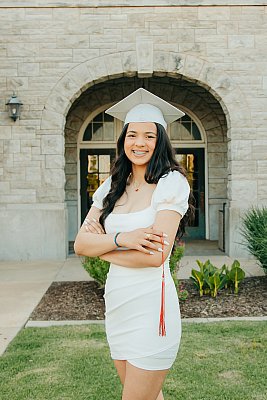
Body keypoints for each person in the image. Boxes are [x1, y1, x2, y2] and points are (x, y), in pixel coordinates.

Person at [74, 88, 195, 400]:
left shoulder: (171, 184)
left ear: (160, 142)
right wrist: (123, 239)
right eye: (133, 135)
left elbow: (156, 257)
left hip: (152, 309)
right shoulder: (111, 186)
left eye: (149, 136)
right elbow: (80, 245)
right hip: (117, 305)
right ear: (123, 140)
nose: (139, 143)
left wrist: (102, 248)